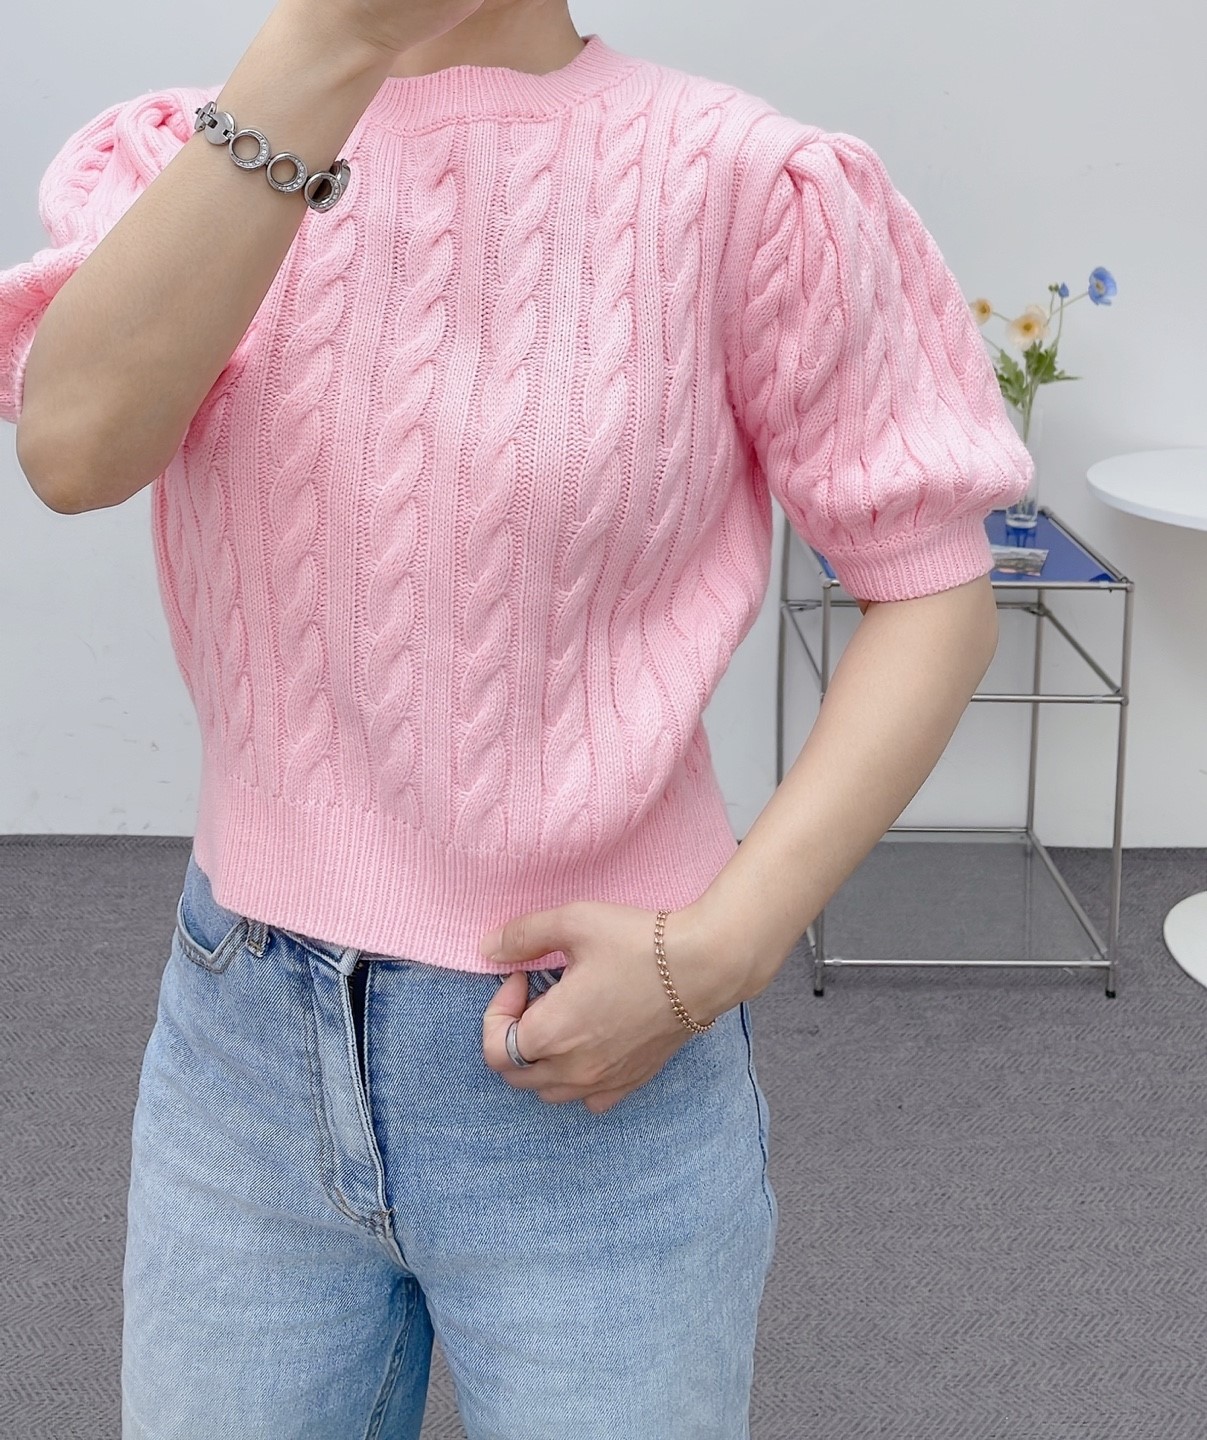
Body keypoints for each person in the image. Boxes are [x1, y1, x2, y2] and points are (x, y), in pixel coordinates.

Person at [0, 0, 1033, 1434]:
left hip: (599, 1067)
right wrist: (326, 44)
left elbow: (933, 593)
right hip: (241, 1051)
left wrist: (719, 952)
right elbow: (72, 452)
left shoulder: (744, 184)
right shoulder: (197, 154)